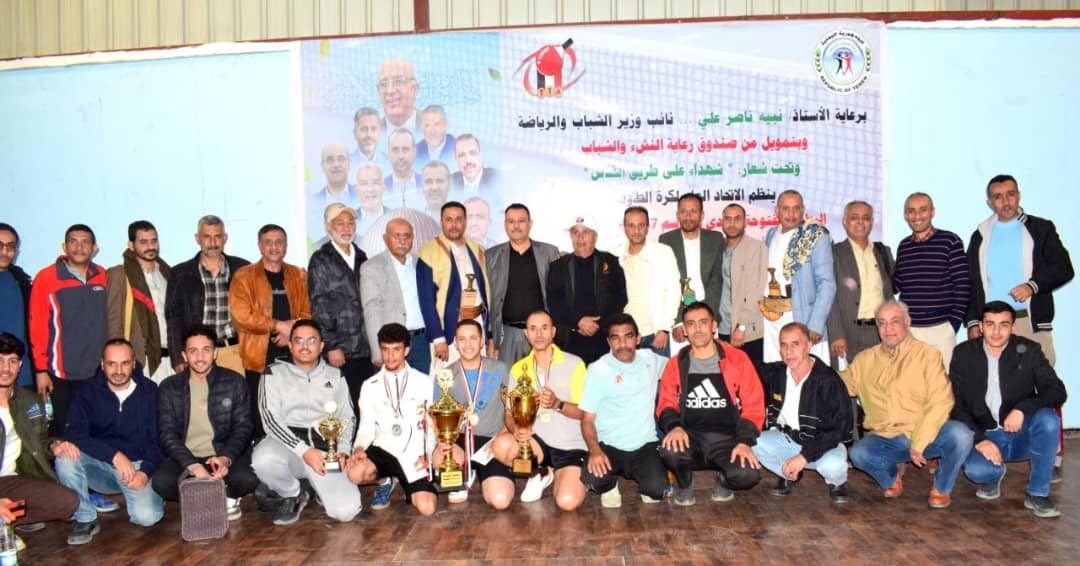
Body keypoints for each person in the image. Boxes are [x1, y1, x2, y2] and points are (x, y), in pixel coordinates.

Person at [964, 174, 1073, 478]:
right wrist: (973, 322)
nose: (1005, 201)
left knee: (1045, 386)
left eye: (1010, 194)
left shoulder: (1040, 228)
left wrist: (1032, 286)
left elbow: (1064, 269)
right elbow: (972, 283)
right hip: (991, 326)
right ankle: (997, 446)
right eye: (998, 196)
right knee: (991, 385)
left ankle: (1051, 456)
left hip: (1028, 322)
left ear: (1019, 195)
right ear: (990, 201)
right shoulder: (980, 234)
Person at [842, 300, 973, 509]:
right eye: (882, 323)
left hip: (925, 435)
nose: (888, 329)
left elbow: (941, 402)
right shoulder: (864, 359)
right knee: (858, 453)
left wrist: (919, 441)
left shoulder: (928, 355)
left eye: (895, 321)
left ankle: (942, 487)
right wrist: (810, 369)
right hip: (887, 438)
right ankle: (891, 478)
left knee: (961, 434)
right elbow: (838, 385)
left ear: (908, 322)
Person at [950, 301, 1067, 518]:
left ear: (1013, 326)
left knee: (1048, 419)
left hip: (1021, 434)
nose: (996, 332)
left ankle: (1037, 493)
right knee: (977, 471)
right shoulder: (963, 353)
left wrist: (1022, 409)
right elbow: (955, 403)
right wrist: (979, 439)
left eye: (1003, 325)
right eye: (990, 324)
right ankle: (993, 475)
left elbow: (1057, 391)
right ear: (980, 326)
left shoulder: (1029, 350)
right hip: (986, 434)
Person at [54, 339, 164, 545]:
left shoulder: (150, 391)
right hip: (99, 465)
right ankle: (85, 517)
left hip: (136, 466)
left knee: (147, 518)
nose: (118, 371)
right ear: (102, 364)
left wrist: (145, 472)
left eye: (125, 363)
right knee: (65, 456)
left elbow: (159, 440)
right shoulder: (86, 391)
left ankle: (148, 494)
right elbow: (74, 433)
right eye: (112, 364)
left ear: (134, 363)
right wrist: (114, 456)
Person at [251, 320, 360, 525]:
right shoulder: (272, 373)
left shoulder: (335, 375)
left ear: (321, 346)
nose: (304, 346)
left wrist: (343, 450)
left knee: (346, 512)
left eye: (311, 341)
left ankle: (317, 487)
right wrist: (304, 451)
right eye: (298, 341)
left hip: (324, 449)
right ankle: (293, 493)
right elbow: (270, 420)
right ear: (290, 345)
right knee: (263, 460)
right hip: (287, 447)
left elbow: (347, 417)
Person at [656, 302, 764, 505]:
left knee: (747, 475)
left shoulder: (737, 359)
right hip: (690, 438)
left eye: (703, 322)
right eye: (691, 324)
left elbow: (754, 405)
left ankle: (724, 479)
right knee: (669, 450)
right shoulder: (676, 363)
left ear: (714, 326)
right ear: (684, 330)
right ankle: (684, 483)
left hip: (727, 439)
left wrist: (744, 441)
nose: (697, 329)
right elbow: (665, 402)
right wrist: (675, 427)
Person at [152, 325, 257, 520]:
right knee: (162, 482)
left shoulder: (234, 381)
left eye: (206, 350)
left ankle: (218, 495)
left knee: (248, 479)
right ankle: (212, 495)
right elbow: (166, 434)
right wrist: (192, 465)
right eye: (193, 351)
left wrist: (226, 457)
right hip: (186, 456)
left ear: (215, 353)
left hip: (221, 453)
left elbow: (243, 427)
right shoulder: (169, 387)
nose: (200, 357)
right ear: (184, 355)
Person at [490, 310, 588, 510]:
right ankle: (540, 472)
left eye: (544, 328)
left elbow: (586, 413)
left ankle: (563, 475)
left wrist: (558, 404)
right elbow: (509, 413)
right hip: (537, 442)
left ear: (553, 332)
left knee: (567, 502)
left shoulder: (575, 363)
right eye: (533, 329)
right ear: (526, 334)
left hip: (570, 444)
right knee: (500, 446)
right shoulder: (518, 368)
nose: (539, 334)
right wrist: (515, 429)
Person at [752, 322, 851, 503]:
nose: (788, 351)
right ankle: (788, 473)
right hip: (788, 439)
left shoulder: (828, 380)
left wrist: (804, 456)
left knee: (833, 466)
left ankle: (837, 483)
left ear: (809, 345)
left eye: (795, 344)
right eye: (784, 345)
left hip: (823, 443)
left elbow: (839, 429)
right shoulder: (776, 373)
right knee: (752, 442)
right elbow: (746, 366)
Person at [578, 314, 669, 507]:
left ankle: (647, 482)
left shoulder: (650, 359)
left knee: (657, 490)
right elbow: (587, 419)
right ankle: (610, 484)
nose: (622, 344)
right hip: (609, 445)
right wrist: (594, 450)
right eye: (615, 338)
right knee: (593, 480)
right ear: (608, 342)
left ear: (638, 338)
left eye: (628, 336)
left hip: (645, 443)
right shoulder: (598, 369)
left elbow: (679, 366)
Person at [230, 224, 311, 439]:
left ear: (286, 245)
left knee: (294, 411)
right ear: (259, 246)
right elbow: (241, 316)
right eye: (268, 242)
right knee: (261, 414)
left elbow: (308, 311)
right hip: (258, 358)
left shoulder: (298, 275)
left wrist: (292, 331)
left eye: (279, 242)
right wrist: (278, 325)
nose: (274, 247)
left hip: (294, 356)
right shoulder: (244, 276)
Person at [346, 323, 435, 515]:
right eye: (385, 349)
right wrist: (359, 448)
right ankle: (384, 480)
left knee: (427, 508)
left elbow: (432, 426)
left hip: (413, 453)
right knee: (354, 472)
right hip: (384, 449)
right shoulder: (369, 385)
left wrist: (427, 453)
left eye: (396, 349)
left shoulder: (423, 382)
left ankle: (407, 481)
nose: (390, 356)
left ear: (406, 350)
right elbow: (366, 426)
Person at [28, 224, 108, 437]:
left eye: (85, 242)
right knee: (61, 433)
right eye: (73, 241)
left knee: (94, 432)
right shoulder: (46, 277)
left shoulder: (103, 275)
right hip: (60, 374)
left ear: (95, 248)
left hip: (96, 373)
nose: (79, 247)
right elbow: (37, 326)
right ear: (64, 246)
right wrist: (41, 370)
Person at [0, 333, 78, 540]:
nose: (5, 368)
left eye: (12, 361)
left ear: (20, 366)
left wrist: (54, 445)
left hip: (12, 481)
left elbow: (40, 440)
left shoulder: (29, 401)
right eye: (0, 361)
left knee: (68, 502)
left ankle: (6, 518)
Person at [432, 320, 513, 507]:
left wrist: (500, 437)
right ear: (455, 343)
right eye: (462, 339)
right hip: (458, 441)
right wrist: (443, 442)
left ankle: (477, 470)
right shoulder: (445, 375)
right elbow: (437, 418)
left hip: (491, 442)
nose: (467, 344)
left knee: (500, 500)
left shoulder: (501, 369)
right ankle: (463, 473)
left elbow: (512, 410)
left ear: (482, 340)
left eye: (473, 338)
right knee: (438, 458)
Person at [892, 192, 970, 367]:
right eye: (911, 211)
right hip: (909, 330)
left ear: (932, 212)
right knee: (910, 381)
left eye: (923, 210)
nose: (917, 216)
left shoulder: (950, 241)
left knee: (941, 381)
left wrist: (953, 324)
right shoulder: (904, 246)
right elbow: (897, 285)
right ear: (905, 215)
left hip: (941, 329)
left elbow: (963, 284)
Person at [165, 215, 250, 376]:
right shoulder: (180, 273)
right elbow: (173, 319)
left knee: (237, 392)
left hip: (234, 352)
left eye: (217, 236)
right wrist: (177, 357)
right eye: (207, 237)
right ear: (197, 238)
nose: (212, 242)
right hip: (197, 354)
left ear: (225, 238)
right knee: (198, 394)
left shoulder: (243, 268)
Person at [308, 204, 374, 406]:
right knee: (342, 405)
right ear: (328, 228)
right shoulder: (321, 259)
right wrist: (332, 346)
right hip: (341, 351)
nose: (346, 228)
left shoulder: (362, 257)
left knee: (365, 403)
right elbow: (319, 306)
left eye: (350, 223)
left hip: (366, 348)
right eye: (340, 223)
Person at [762, 190, 836, 365]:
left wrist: (816, 324)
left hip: (804, 319)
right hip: (773, 320)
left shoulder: (815, 236)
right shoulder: (771, 235)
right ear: (777, 211)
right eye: (786, 208)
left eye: (796, 208)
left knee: (809, 372)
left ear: (803, 210)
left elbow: (827, 283)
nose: (791, 214)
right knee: (777, 372)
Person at [417, 201, 490, 374]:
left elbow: (486, 292)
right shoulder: (428, 252)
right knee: (447, 380)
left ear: (465, 221)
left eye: (458, 219)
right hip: (448, 330)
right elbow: (426, 301)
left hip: (477, 324)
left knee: (477, 375)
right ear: (441, 222)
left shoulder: (477, 249)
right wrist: (438, 338)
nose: (454, 224)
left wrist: (490, 333)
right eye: (449, 220)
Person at [485, 203, 560, 367]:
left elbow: (559, 296)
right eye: (511, 221)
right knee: (509, 379)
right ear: (505, 225)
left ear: (530, 224)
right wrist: (491, 337)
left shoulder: (549, 253)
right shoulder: (491, 256)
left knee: (542, 378)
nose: (516, 226)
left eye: (521, 221)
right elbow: (488, 300)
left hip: (541, 333)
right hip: (507, 335)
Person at [547, 215, 628, 364]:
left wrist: (597, 325)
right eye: (575, 232)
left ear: (595, 236)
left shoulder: (610, 262)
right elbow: (554, 302)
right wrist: (578, 321)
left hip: (603, 339)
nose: (580, 237)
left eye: (586, 232)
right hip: (568, 340)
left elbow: (620, 298)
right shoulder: (558, 266)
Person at [826, 201, 894, 368]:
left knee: (882, 380)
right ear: (845, 222)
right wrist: (836, 334)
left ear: (872, 222)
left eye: (865, 218)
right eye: (854, 217)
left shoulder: (883, 252)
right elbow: (829, 297)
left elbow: (889, 294)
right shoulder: (834, 253)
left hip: (881, 331)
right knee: (849, 382)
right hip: (848, 333)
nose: (860, 222)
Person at [106, 220, 172, 384]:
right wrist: (120, 363)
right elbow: (114, 323)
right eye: (143, 242)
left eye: (154, 241)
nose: (150, 246)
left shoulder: (168, 273)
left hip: (172, 359)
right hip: (142, 360)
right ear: (131, 245)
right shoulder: (119, 275)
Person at [360, 218, 431, 372]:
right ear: (385, 239)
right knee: (391, 387)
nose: (402, 241)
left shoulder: (421, 263)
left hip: (421, 342)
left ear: (413, 238)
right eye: (397, 236)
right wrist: (378, 350)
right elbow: (372, 309)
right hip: (391, 344)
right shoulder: (372, 267)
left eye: (407, 236)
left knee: (421, 386)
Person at [658, 193, 725, 346]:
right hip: (679, 320)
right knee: (682, 360)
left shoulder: (715, 239)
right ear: (677, 215)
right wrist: (678, 321)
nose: (688, 216)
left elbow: (716, 282)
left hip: (708, 315)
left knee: (709, 359)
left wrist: (709, 317)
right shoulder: (666, 240)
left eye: (693, 211)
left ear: (702, 215)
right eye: (683, 211)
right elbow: (667, 285)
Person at [613, 206, 680, 357]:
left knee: (659, 373)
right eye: (631, 225)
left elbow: (673, 292)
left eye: (641, 225)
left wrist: (664, 329)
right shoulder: (614, 254)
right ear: (624, 228)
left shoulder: (663, 252)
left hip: (655, 334)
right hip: (624, 336)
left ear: (648, 227)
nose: (636, 231)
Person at [716, 204, 767, 365]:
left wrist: (741, 326)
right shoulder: (718, 248)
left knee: (752, 375)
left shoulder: (756, 248)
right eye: (728, 219)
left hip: (748, 331)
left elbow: (756, 291)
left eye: (737, 219)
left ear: (745, 222)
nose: (732, 224)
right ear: (722, 222)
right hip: (723, 328)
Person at [0, 223, 33, 387]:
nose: (4, 252)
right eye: (0, 245)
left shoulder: (21, 281)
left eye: (10, 247)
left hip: (21, 372)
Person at [307, 143, 358, 244]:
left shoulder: (363, 198)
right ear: (322, 166)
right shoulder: (311, 202)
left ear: (349, 164)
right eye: (330, 160)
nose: (336, 165)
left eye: (341, 159)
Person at [449, 134, 501, 204]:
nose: (468, 160)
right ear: (456, 159)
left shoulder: (498, 178)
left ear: (480, 155)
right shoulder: (449, 183)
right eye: (462, 155)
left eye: (472, 153)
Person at [377, 57, 421, 135]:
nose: (390, 91)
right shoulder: (370, 134)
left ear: (414, 89)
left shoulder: (436, 126)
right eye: (384, 84)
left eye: (398, 81)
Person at [384, 128, 423, 209]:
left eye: (405, 149)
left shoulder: (426, 184)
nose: (400, 156)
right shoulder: (380, 187)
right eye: (395, 150)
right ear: (389, 153)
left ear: (414, 152)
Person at [355, 164, 392, 243]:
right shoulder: (350, 220)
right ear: (356, 189)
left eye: (375, 183)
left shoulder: (395, 217)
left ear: (383, 187)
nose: (370, 189)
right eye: (364, 183)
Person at [349, 106, 390, 176]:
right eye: (364, 129)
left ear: (380, 133)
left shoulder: (390, 164)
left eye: (373, 129)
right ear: (354, 133)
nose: (369, 135)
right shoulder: (345, 165)